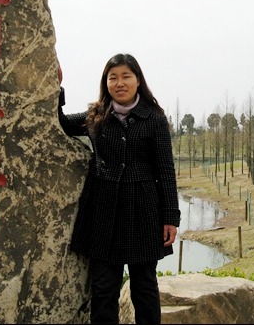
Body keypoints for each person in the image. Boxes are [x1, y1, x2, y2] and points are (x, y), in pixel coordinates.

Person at [57, 54, 181, 324]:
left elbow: (165, 170)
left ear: (138, 80)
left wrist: (171, 217)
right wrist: (57, 87)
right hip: (104, 210)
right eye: (113, 77)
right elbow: (63, 123)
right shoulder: (96, 116)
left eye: (126, 76)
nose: (119, 83)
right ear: (106, 83)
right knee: (104, 288)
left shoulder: (154, 118)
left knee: (144, 286)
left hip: (143, 210)